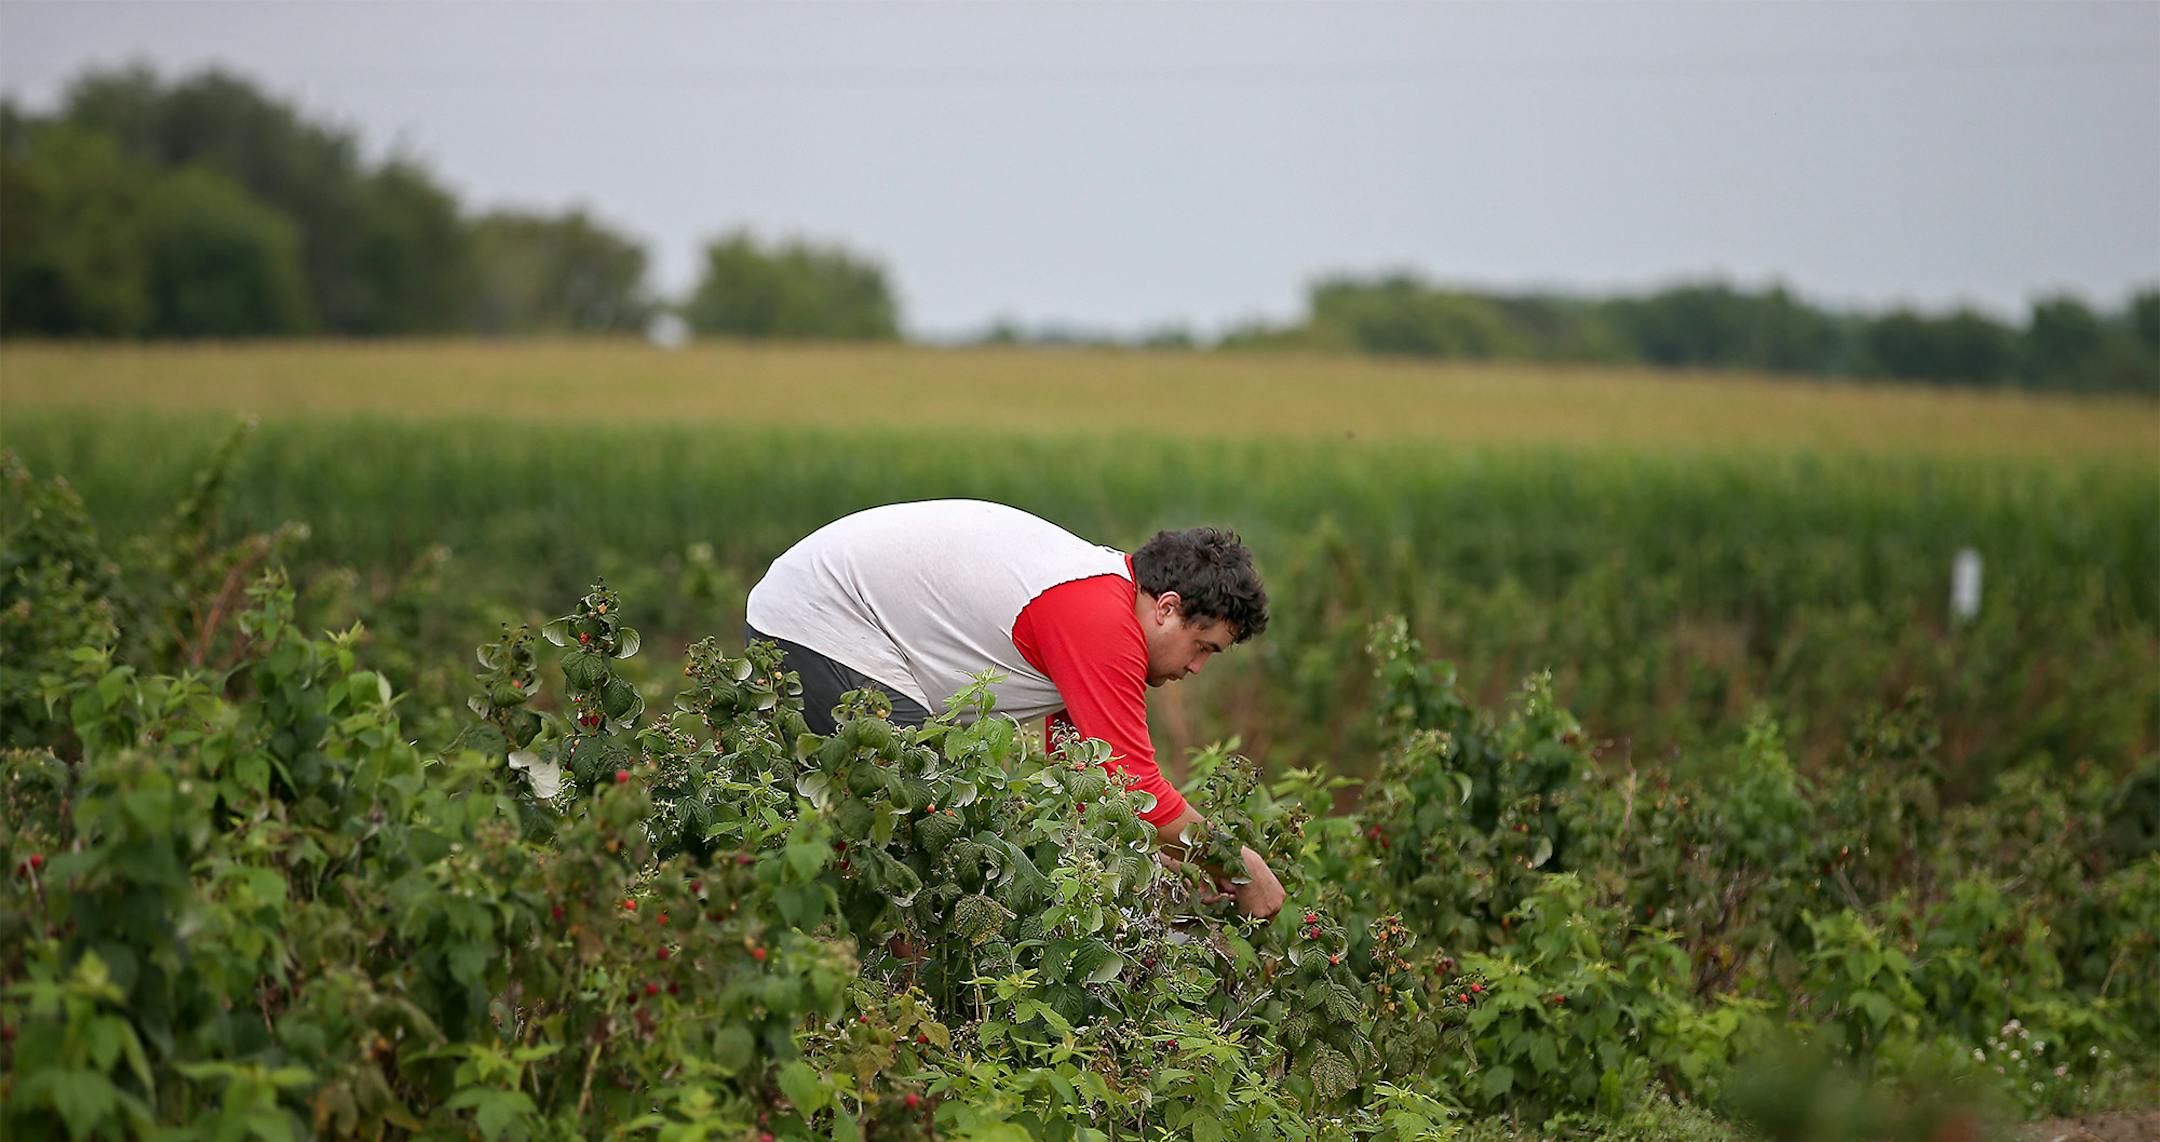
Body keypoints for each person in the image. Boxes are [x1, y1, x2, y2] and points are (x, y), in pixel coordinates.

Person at [745, 498, 1286, 919]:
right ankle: (913, 1016)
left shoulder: (1097, 599)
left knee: (917, 830)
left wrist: (1157, 853)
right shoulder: (1101, 620)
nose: (1196, 670)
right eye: (1203, 648)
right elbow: (1133, 783)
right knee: (927, 833)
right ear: (1167, 609)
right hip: (819, 619)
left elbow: (1086, 775)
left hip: (821, 613)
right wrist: (1240, 867)